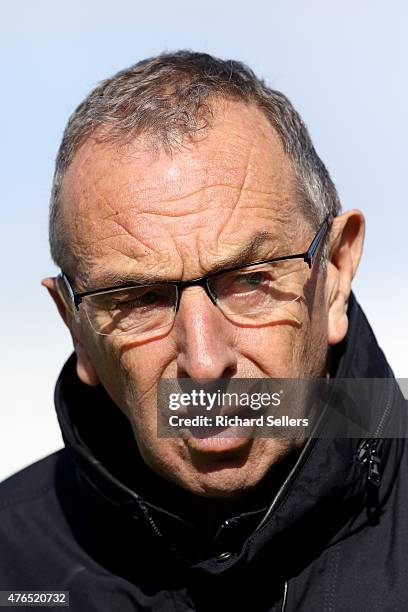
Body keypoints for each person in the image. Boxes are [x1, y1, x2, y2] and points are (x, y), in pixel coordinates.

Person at [0, 51, 406, 612]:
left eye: (248, 280)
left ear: (335, 274)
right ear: (76, 326)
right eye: (140, 298)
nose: (206, 361)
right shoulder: (13, 567)